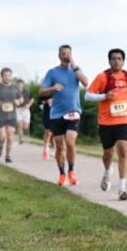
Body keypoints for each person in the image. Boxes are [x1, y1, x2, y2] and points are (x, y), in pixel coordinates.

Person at [86, 48, 127, 200]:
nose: (116, 61)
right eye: (113, 58)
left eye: (119, 58)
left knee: (123, 150)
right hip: (106, 121)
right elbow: (88, 95)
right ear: (109, 61)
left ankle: (122, 188)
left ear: (123, 61)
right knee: (108, 153)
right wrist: (104, 96)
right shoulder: (102, 77)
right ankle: (107, 171)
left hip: (124, 119)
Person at [40, 45, 88, 186]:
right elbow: (42, 91)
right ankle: (62, 174)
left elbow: (86, 83)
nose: (66, 56)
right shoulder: (52, 72)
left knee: (70, 141)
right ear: (59, 56)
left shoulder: (76, 70)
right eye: (63, 54)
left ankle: (71, 171)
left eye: (68, 53)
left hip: (73, 112)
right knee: (59, 146)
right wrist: (53, 88)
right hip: (56, 114)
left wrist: (74, 65)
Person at [0, 68, 21, 163]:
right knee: (3, 136)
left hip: (12, 116)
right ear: (2, 76)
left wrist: (18, 102)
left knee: (10, 136)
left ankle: (8, 156)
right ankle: (0, 146)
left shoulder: (15, 87)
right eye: (5, 76)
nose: (7, 77)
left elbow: (21, 99)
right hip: (1, 116)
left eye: (9, 75)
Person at [16, 79, 33, 145]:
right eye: (18, 85)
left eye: (21, 84)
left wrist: (29, 105)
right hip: (18, 110)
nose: (20, 86)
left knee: (25, 127)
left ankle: (20, 133)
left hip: (26, 111)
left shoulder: (27, 92)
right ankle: (21, 139)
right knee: (20, 125)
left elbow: (32, 99)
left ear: (23, 85)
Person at [39, 94, 54, 160]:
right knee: (48, 133)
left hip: (57, 113)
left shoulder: (60, 91)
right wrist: (45, 102)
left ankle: (54, 149)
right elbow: (39, 102)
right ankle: (46, 150)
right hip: (47, 113)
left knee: (55, 133)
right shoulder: (46, 92)